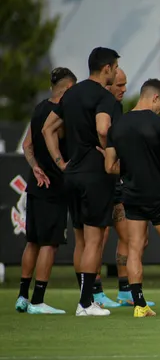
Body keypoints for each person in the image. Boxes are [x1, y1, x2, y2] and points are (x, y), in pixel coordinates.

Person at [103, 79, 160, 317]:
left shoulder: (117, 126)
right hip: (158, 195)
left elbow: (110, 166)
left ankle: (139, 305)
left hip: (131, 194)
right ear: (155, 98)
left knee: (135, 248)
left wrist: (133, 162)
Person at [42, 46, 120, 317]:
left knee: (81, 241)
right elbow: (102, 129)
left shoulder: (71, 93)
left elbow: (47, 129)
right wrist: (107, 150)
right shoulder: (104, 97)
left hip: (72, 173)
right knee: (95, 241)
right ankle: (86, 303)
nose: (116, 72)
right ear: (107, 68)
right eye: (115, 67)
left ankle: (85, 299)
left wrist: (60, 162)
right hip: (94, 175)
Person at [16, 68, 77, 314]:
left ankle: (22, 297)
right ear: (69, 88)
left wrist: (35, 167)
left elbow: (26, 145)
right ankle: (38, 300)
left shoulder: (39, 108)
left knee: (32, 241)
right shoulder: (61, 114)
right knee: (49, 244)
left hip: (36, 183)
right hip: (54, 186)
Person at [92, 67, 132, 308]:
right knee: (99, 237)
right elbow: (102, 132)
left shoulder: (116, 106)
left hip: (117, 181)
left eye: (125, 84)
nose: (124, 89)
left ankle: (125, 289)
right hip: (99, 180)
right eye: (119, 85)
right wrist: (107, 152)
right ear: (107, 84)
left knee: (129, 235)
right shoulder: (102, 104)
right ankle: (95, 292)